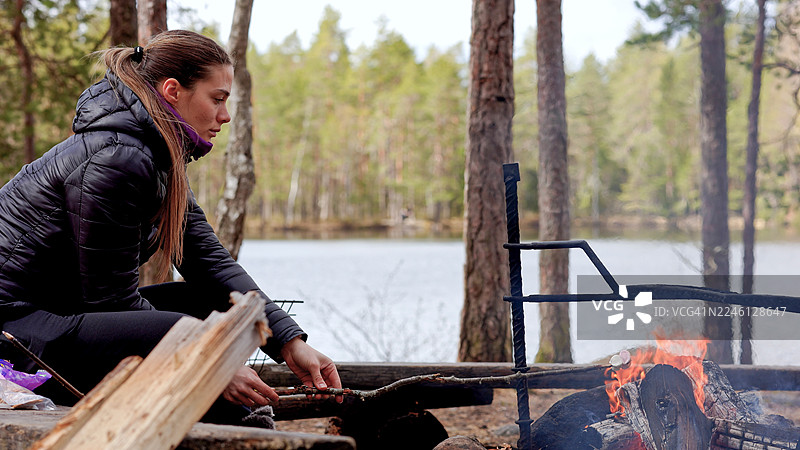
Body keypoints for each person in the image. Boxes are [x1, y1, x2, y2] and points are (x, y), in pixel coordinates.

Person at [0, 30, 340, 423]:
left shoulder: (155, 156)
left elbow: (209, 262)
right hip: (14, 336)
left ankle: (235, 412)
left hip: (52, 321)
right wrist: (209, 362)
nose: (225, 116)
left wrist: (288, 341)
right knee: (184, 329)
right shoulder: (118, 158)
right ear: (173, 90)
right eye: (217, 99)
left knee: (207, 306)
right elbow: (111, 303)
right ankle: (232, 420)